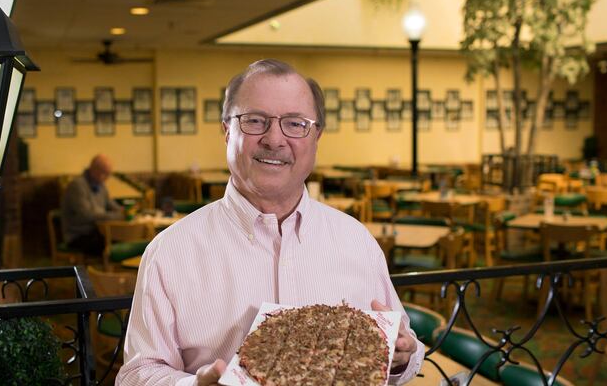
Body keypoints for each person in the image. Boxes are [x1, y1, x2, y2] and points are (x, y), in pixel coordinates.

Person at [117, 59, 424, 385]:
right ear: (226, 130)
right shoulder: (169, 252)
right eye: (255, 121)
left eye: (295, 124)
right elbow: (137, 374)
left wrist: (400, 357)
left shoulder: (356, 240)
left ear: (316, 135)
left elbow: (407, 346)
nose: (274, 139)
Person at [61, 154, 124, 255]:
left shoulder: (100, 185)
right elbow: (86, 215)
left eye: (108, 174)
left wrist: (125, 211)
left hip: (96, 232)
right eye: (105, 173)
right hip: (79, 235)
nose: (107, 178)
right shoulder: (77, 186)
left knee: (122, 239)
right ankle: (105, 269)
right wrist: (116, 216)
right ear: (94, 170)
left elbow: (111, 205)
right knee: (115, 244)